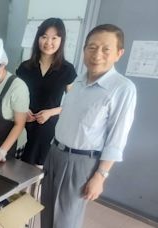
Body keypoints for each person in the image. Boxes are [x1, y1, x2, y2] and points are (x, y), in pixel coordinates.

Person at [40, 24, 137, 228]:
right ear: (84, 50)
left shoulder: (122, 89)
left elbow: (116, 139)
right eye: (92, 47)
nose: (97, 54)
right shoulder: (79, 82)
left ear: (119, 54)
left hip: (80, 162)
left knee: (66, 219)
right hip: (55, 154)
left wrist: (100, 176)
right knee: (46, 211)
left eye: (105, 49)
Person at [16, 18, 77, 165]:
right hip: (22, 123)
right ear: (38, 38)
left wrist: (50, 112)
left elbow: (73, 103)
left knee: (37, 169)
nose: (48, 42)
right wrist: (23, 110)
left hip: (48, 128)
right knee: (16, 165)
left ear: (61, 41)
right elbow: (15, 95)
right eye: (44, 37)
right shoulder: (25, 67)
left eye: (54, 38)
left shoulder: (67, 70)